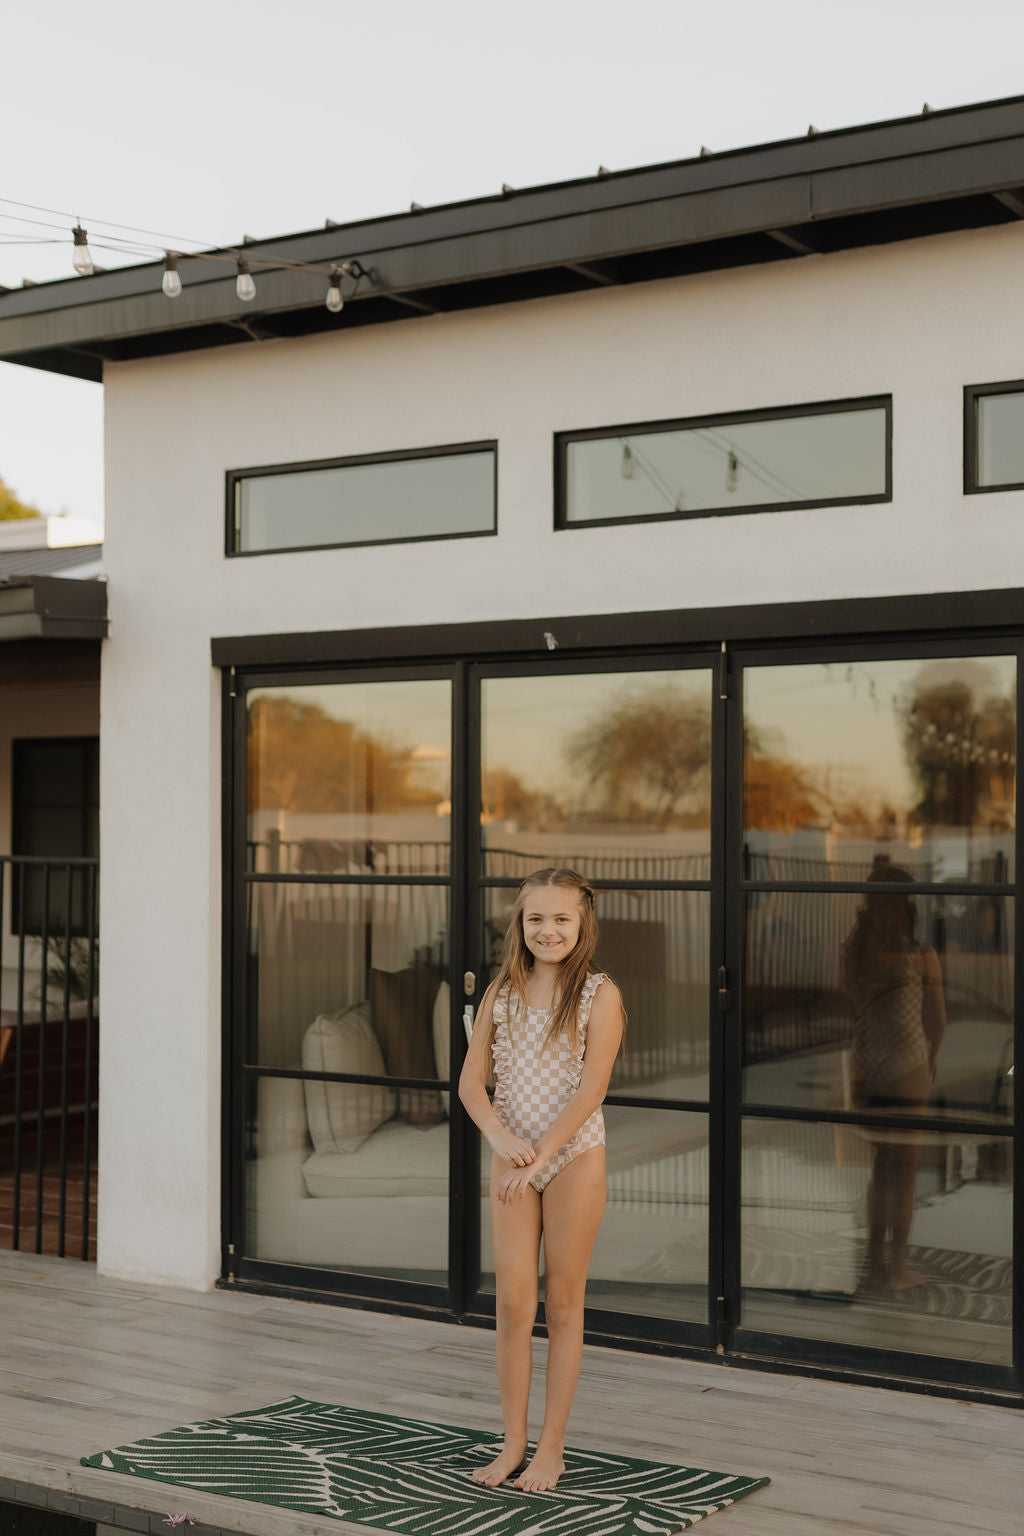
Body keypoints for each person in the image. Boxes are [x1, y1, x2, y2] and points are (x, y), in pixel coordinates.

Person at [458, 867, 625, 1494]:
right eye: (535, 919)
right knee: (512, 1305)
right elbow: (471, 1084)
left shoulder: (599, 994)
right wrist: (503, 1141)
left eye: (561, 919)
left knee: (562, 1304)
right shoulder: (501, 991)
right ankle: (512, 1443)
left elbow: (593, 1088)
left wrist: (541, 1156)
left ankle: (551, 1449)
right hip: (512, 1156)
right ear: (519, 924)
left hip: (573, 1156)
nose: (547, 930)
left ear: (582, 924)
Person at [840, 862, 946, 1292]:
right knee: (903, 1173)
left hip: (867, 1067)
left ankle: (872, 1265)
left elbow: (850, 1008)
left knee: (879, 1168)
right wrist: (930, 1060)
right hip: (907, 1068)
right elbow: (936, 1021)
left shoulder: (854, 948)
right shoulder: (917, 953)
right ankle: (896, 1269)